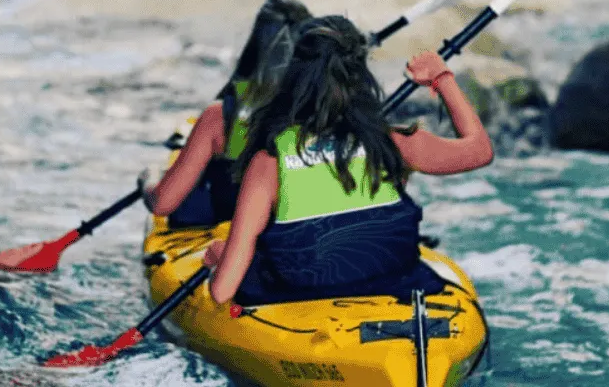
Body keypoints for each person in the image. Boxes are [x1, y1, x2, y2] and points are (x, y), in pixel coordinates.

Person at [201, 15, 494, 306]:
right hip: (390, 280)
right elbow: (480, 151)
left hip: (299, 293)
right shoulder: (393, 143)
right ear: (361, 77)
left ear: (291, 79)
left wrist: (219, 258)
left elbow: (222, 291)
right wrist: (442, 77)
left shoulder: (269, 162)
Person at [142, 0, 313, 227]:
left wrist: (149, 179)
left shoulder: (221, 117)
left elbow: (162, 203)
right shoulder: (322, 113)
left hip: (228, 230)